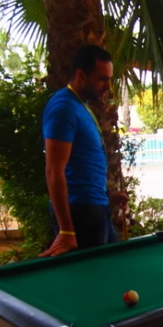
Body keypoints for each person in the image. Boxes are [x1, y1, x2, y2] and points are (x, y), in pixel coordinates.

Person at [40, 45, 129, 258]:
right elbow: (54, 170)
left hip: (95, 209)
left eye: (109, 79)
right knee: (94, 283)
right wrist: (66, 230)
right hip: (80, 215)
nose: (108, 86)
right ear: (81, 75)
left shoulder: (79, 106)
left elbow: (80, 166)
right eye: (102, 79)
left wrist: (107, 196)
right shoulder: (64, 108)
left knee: (114, 272)